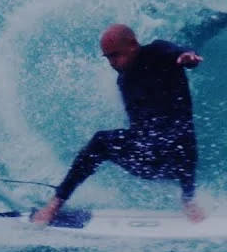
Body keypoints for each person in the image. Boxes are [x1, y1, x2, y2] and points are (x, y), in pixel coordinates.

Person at [31, 24, 206, 225]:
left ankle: (189, 200)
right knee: (101, 142)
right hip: (148, 159)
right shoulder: (124, 79)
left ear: (133, 45)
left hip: (176, 158)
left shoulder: (158, 52)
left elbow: (180, 52)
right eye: (108, 58)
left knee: (178, 132)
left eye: (115, 55)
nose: (112, 63)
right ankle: (55, 204)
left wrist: (188, 58)